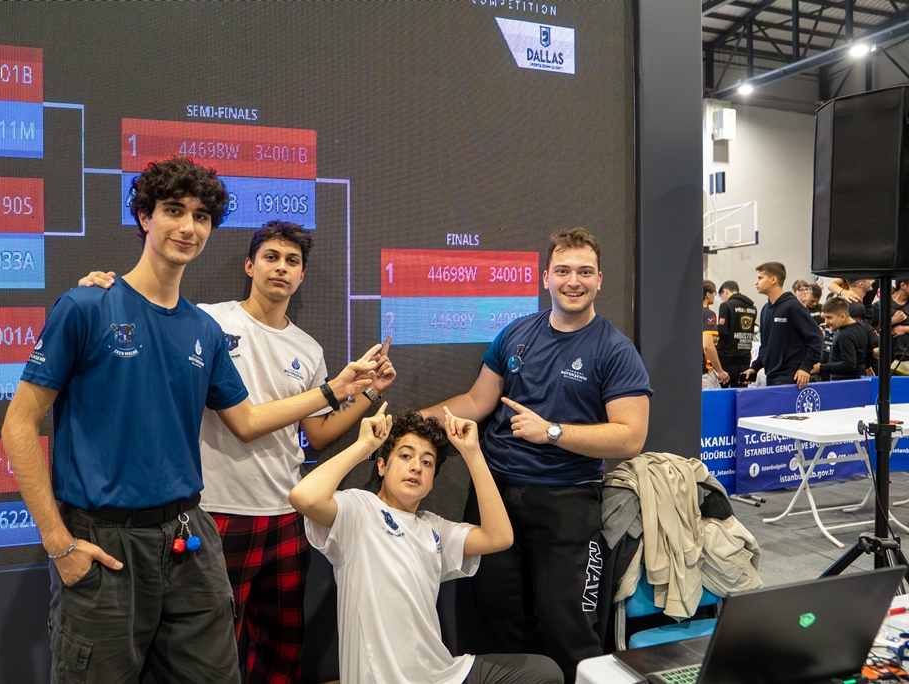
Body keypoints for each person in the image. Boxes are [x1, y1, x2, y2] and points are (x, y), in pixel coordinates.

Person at [1, 157, 378, 684]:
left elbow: (248, 419)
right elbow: (19, 424)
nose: (188, 227)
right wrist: (57, 542)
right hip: (104, 541)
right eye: (174, 211)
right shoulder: (86, 306)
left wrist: (338, 390)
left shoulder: (203, 330)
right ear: (144, 216)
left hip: (189, 536)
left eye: (201, 216)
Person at [78, 221, 396, 683]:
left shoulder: (308, 349)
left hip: (286, 514)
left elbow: (317, 434)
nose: (281, 268)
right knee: (208, 648)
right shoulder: (208, 321)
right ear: (250, 265)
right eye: (271, 257)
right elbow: (147, 317)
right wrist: (103, 294)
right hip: (216, 511)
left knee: (282, 648)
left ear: (302, 275)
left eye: (292, 261)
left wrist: (368, 393)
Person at [421, 227, 652, 680]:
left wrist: (552, 433)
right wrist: (410, 421)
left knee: (569, 626)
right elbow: (476, 402)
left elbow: (630, 438)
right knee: (495, 616)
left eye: (584, 272)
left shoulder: (615, 350)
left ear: (599, 279)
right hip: (495, 494)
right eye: (562, 271)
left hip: (567, 499)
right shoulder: (516, 333)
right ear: (546, 277)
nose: (573, 281)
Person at [289, 405, 564, 684]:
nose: (416, 467)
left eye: (427, 462)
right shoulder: (359, 508)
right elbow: (304, 497)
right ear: (382, 465)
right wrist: (364, 446)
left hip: (443, 674)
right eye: (405, 456)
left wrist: (473, 453)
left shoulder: (433, 527)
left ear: (432, 481)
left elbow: (500, 537)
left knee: (546, 671)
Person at [741, 261, 822, 388]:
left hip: (791, 377)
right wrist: (755, 367)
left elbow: (816, 337)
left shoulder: (793, 306)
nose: (756, 282)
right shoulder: (765, 310)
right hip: (771, 376)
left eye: (760, 278)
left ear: (773, 280)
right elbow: (765, 346)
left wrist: (806, 367)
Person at [811, 298, 872, 381]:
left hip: (843, 382)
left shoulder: (844, 335)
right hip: (859, 378)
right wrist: (868, 366)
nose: (826, 321)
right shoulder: (861, 324)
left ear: (842, 317)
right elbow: (869, 350)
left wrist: (821, 367)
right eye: (825, 317)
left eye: (829, 317)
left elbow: (849, 364)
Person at [716, 280, 757, 388]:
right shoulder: (752, 308)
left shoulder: (725, 306)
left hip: (726, 358)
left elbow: (722, 331)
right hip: (744, 358)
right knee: (741, 393)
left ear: (725, 291)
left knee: (723, 393)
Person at [702, 279, 728, 389]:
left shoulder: (688, 314)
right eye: (714, 293)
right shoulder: (708, 314)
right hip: (704, 373)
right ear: (708, 294)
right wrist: (720, 371)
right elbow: (707, 346)